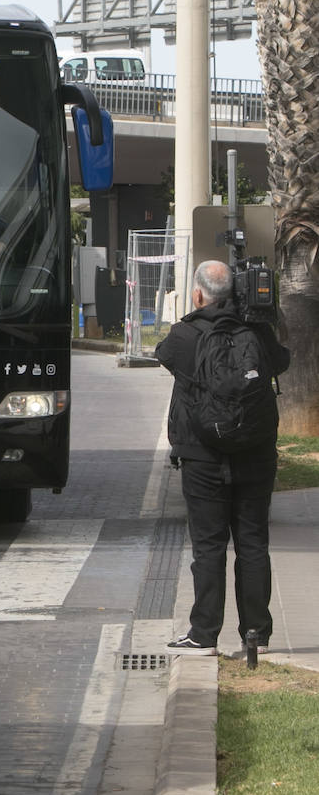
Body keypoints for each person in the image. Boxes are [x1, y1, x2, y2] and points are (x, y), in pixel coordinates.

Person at [155, 260, 290, 655]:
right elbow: (281, 363)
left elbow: (165, 355)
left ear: (198, 293)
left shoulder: (184, 333)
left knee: (209, 546)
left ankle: (204, 635)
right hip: (255, 453)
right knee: (252, 543)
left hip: (202, 456)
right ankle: (257, 636)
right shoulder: (257, 331)